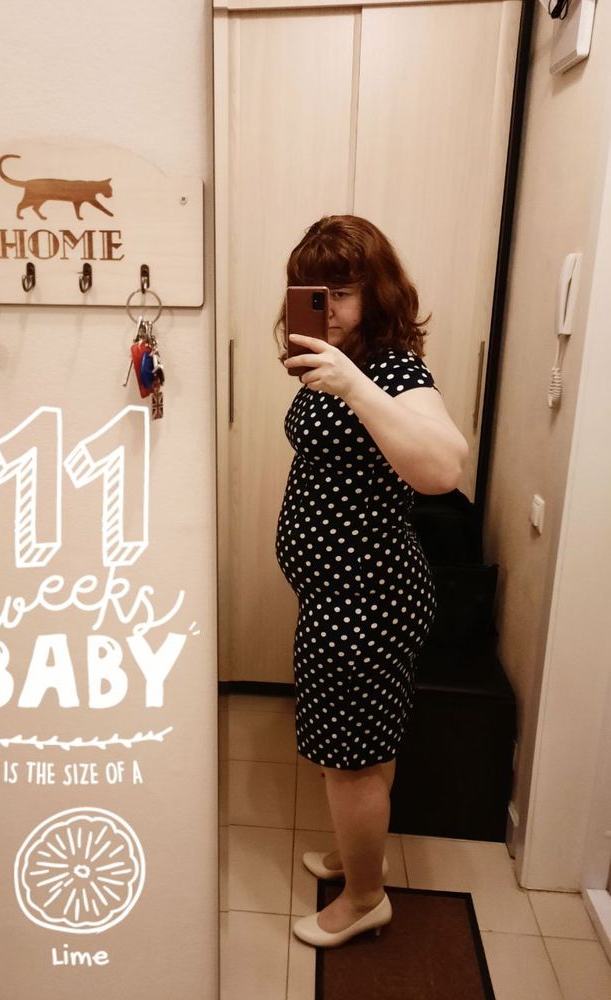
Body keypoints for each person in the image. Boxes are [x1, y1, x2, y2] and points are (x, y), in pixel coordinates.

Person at [274, 215, 468, 948]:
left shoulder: (391, 371)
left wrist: (354, 384)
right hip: (345, 597)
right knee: (366, 747)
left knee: (347, 761)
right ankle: (358, 853)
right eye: (312, 292)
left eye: (343, 292)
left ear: (377, 292)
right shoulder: (339, 360)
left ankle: (363, 898)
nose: (327, 307)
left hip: (365, 602)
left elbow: (443, 468)